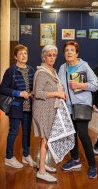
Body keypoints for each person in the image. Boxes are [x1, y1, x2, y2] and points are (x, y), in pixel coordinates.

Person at [58, 41, 98, 179]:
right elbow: (59, 84)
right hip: (67, 106)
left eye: (72, 50)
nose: (69, 52)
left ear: (77, 53)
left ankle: (92, 165)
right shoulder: (62, 68)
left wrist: (81, 85)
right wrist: (60, 91)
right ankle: (75, 160)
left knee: (83, 134)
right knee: (71, 134)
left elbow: (95, 85)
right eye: (66, 50)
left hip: (82, 106)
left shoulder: (84, 66)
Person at [0, 44, 36, 169]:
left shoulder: (31, 70)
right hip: (15, 106)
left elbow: (33, 87)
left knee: (26, 132)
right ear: (15, 56)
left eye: (25, 53)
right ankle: (9, 157)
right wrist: (18, 93)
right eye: (20, 54)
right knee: (13, 132)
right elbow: (2, 89)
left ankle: (26, 155)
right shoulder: (10, 71)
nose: (23, 56)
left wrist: (33, 92)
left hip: (28, 107)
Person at [33, 45, 66, 183]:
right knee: (45, 139)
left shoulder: (52, 71)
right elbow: (38, 93)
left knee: (46, 139)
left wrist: (60, 90)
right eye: (49, 55)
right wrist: (57, 93)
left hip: (50, 109)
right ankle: (41, 171)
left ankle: (43, 165)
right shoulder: (42, 72)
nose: (52, 57)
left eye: (54, 55)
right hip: (42, 109)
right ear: (43, 57)